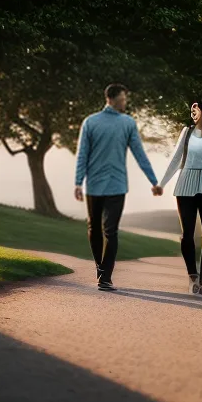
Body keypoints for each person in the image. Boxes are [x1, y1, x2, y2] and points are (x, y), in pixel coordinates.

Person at [74, 83, 162, 291]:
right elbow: (83, 155)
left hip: (112, 185)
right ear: (110, 99)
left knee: (105, 230)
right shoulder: (92, 122)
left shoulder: (126, 123)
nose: (125, 102)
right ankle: (102, 272)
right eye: (122, 99)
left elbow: (139, 153)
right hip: (99, 185)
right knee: (99, 229)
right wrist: (78, 182)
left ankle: (104, 274)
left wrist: (153, 181)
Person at [157, 98, 202, 295]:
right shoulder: (186, 132)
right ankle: (192, 277)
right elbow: (175, 158)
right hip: (185, 184)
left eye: (195, 110)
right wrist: (162, 183)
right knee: (187, 234)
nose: (192, 113)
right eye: (191, 111)